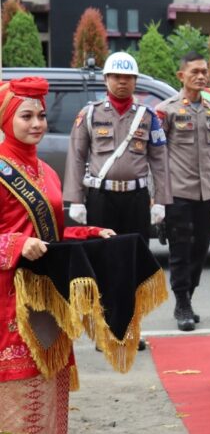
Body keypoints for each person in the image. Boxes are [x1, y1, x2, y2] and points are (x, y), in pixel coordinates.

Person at [0, 77, 114, 434]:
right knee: (15, 407)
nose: (37, 123)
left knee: (47, 402)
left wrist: (89, 233)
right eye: (26, 115)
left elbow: (52, 232)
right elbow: (19, 236)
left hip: (46, 305)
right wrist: (12, 244)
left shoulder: (45, 171)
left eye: (42, 115)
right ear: (7, 119)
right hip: (8, 305)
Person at [63, 51, 170, 351]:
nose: (122, 82)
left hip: (136, 198)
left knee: (133, 263)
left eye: (128, 78)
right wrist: (76, 200)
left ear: (135, 81)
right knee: (103, 263)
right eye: (116, 77)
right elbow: (76, 156)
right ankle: (106, 330)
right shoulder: (91, 114)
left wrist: (160, 200)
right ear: (106, 79)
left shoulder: (148, 117)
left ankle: (131, 329)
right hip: (101, 198)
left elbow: (159, 160)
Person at [156, 52, 210, 331]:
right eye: (194, 71)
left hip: (206, 194)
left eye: (204, 71)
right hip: (178, 194)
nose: (201, 76)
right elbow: (157, 157)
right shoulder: (167, 110)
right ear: (181, 76)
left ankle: (189, 296)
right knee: (180, 250)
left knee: (200, 249)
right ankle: (182, 301)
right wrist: (157, 198)